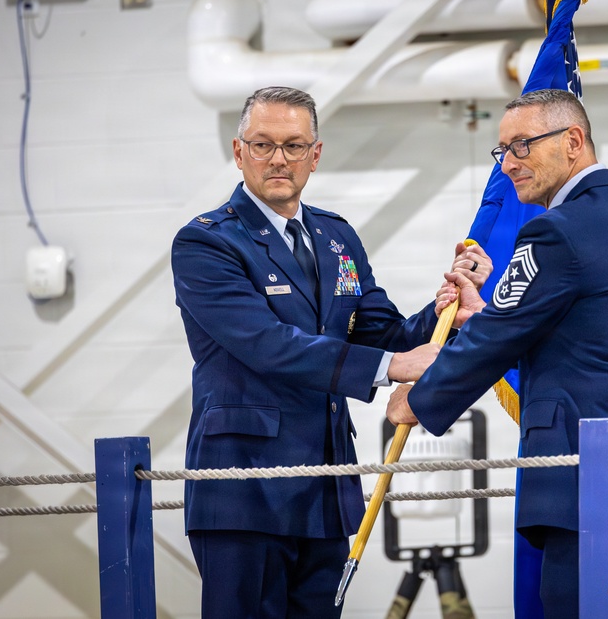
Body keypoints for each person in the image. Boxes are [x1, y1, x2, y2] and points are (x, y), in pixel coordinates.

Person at [171, 86, 492, 619]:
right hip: (245, 490)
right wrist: (393, 368)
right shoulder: (207, 243)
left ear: (315, 155)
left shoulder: (335, 237)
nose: (279, 158)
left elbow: (381, 332)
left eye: (294, 145)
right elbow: (267, 345)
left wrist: (445, 315)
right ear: (238, 151)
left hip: (325, 487)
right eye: (263, 144)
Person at [387, 88, 608, 619]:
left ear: (573, 141)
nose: (508, 165)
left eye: (522, 146)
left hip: (598, 482)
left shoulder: (555, 231)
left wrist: (419, 400)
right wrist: (483, 314)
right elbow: (591, 332)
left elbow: (500, 340)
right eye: (502, 150)